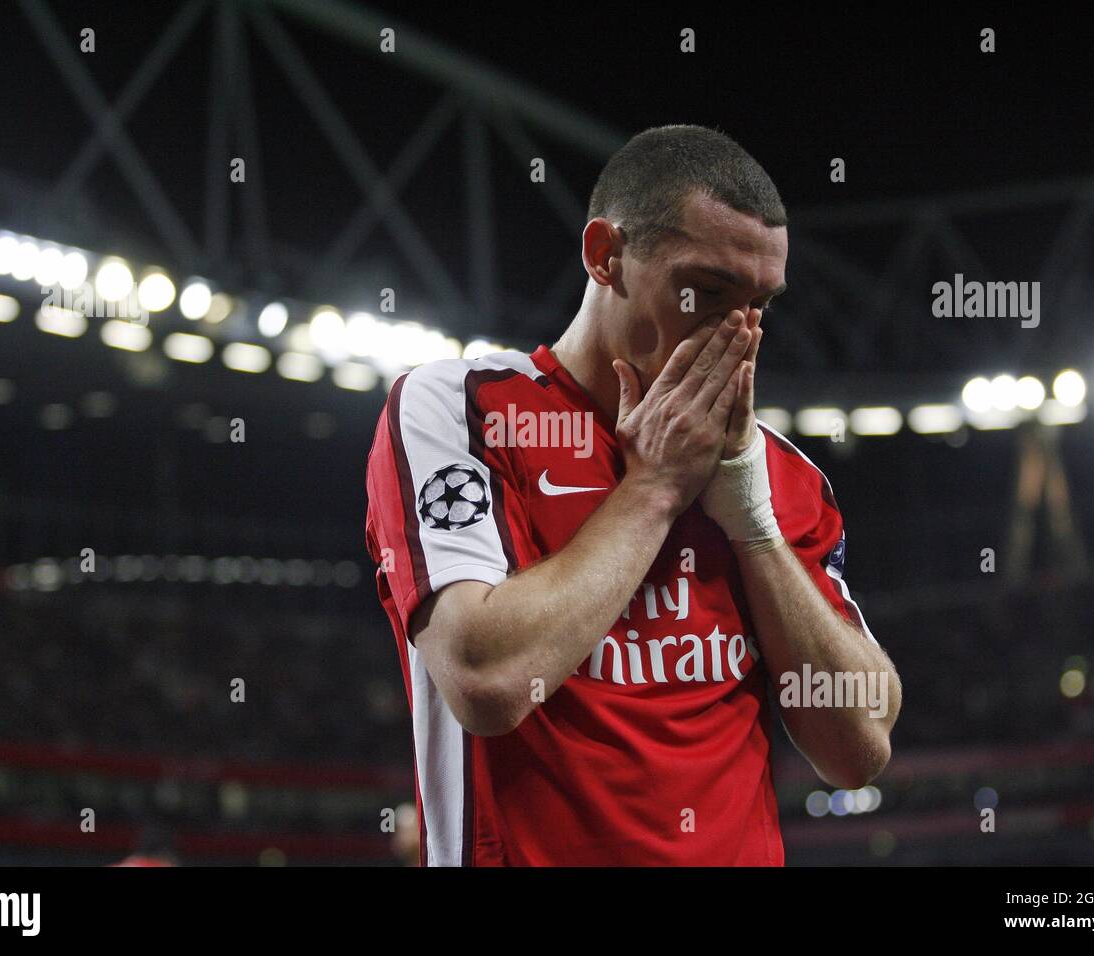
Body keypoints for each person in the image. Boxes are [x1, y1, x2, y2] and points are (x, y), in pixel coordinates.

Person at [365, 125, 901, 865]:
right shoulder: (464, 409)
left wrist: (752, 523)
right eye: (707, 291)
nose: (737, 331)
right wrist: (653, 488)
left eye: (761, 304)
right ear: (604, 255)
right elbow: (484, 679)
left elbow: (859, 747)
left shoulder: (779, 475)